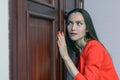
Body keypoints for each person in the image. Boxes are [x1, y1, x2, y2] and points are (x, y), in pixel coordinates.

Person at [57, 8, 119, 80]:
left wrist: (65, 57)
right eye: (70, 23)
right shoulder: (79, 49)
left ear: (87, 28)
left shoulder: (94, 47)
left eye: (79, 24)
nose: (73, 28)